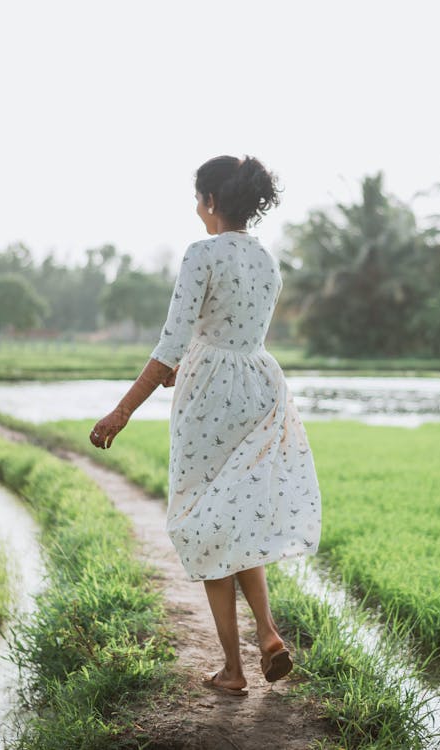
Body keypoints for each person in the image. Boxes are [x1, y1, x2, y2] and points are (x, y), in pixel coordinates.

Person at [89, 155, 322, 697]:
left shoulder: (202, 254)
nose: (196, 209)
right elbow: (231, 333)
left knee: (202, 520)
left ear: (212, 202)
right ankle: (267, 635)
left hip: (209, 397)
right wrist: (190, 361)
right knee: (235, 516)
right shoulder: (267, 260)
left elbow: (173, 343)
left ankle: (234, 670)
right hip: (260, 385)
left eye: (199, 199)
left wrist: (121, 410)